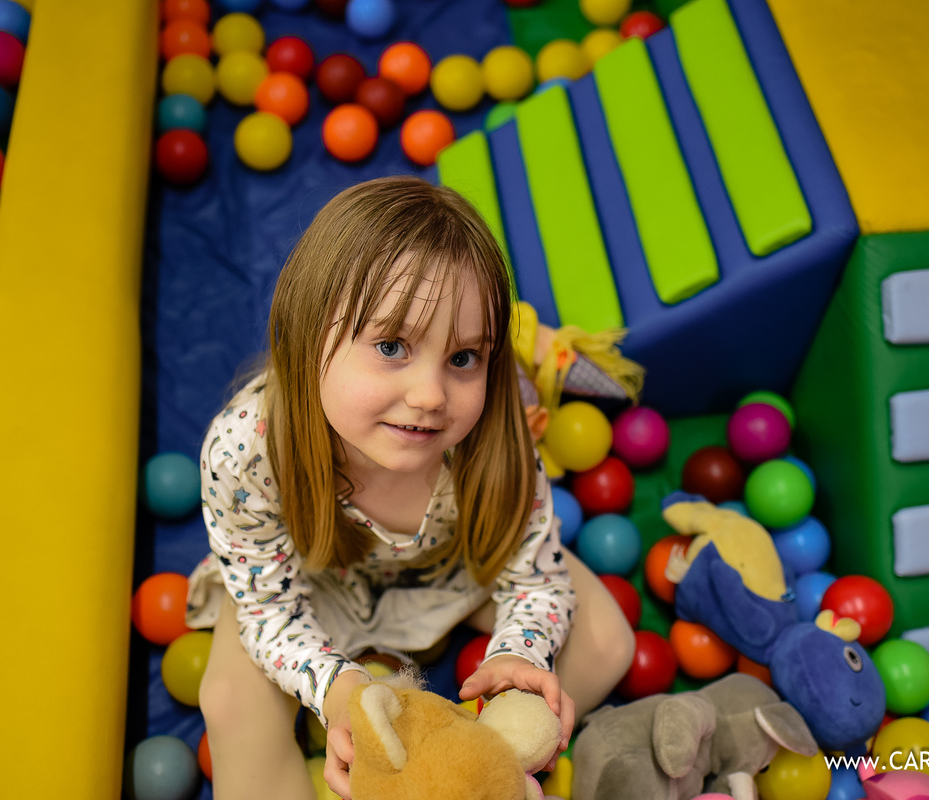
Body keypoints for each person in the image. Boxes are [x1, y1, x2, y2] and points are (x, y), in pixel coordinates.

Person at [187, 176, 636, 799]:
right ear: (306, 331)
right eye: (391, 346)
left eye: (463, 359)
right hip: (313, 586)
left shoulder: (494, 433)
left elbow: (533, 580)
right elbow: (268, 609)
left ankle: (471, 773)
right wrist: (338, 690)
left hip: (448, 570)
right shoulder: (248, 448)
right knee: (231, 699)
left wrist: (520, 661)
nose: (430, 397)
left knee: (607, 640)